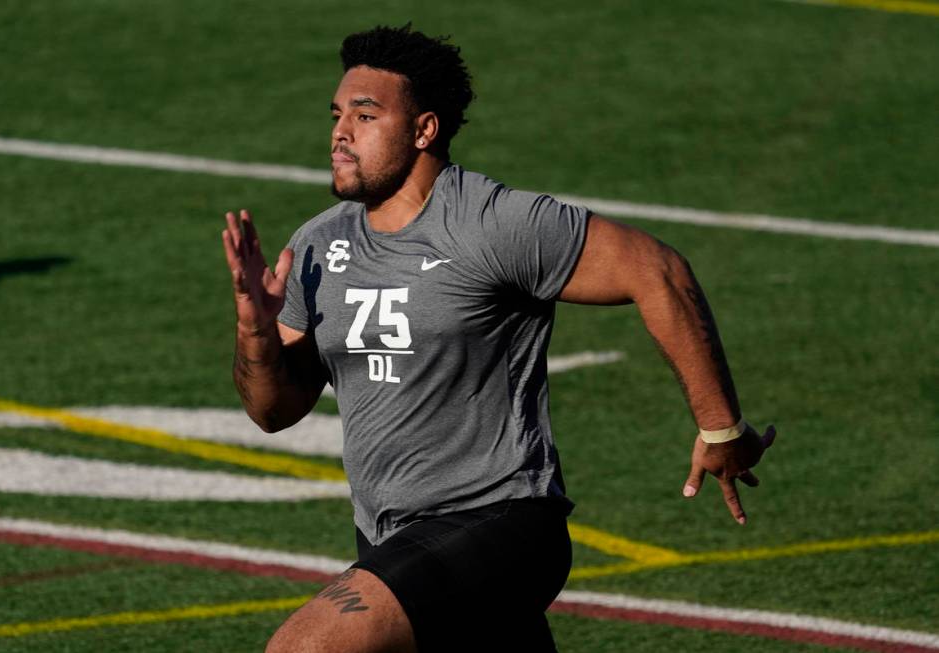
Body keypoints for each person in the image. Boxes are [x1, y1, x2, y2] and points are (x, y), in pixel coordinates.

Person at [221, 24, 776, 653]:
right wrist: (255, 328)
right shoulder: (321, 244)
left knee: (305, 649)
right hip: (389, 535)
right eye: (338, 113)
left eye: (365, 115)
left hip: (501, 521)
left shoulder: (488, 223)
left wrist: (720, 427)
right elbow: (272, 412)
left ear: (424, 130)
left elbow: (659, 272)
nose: (340, 132)